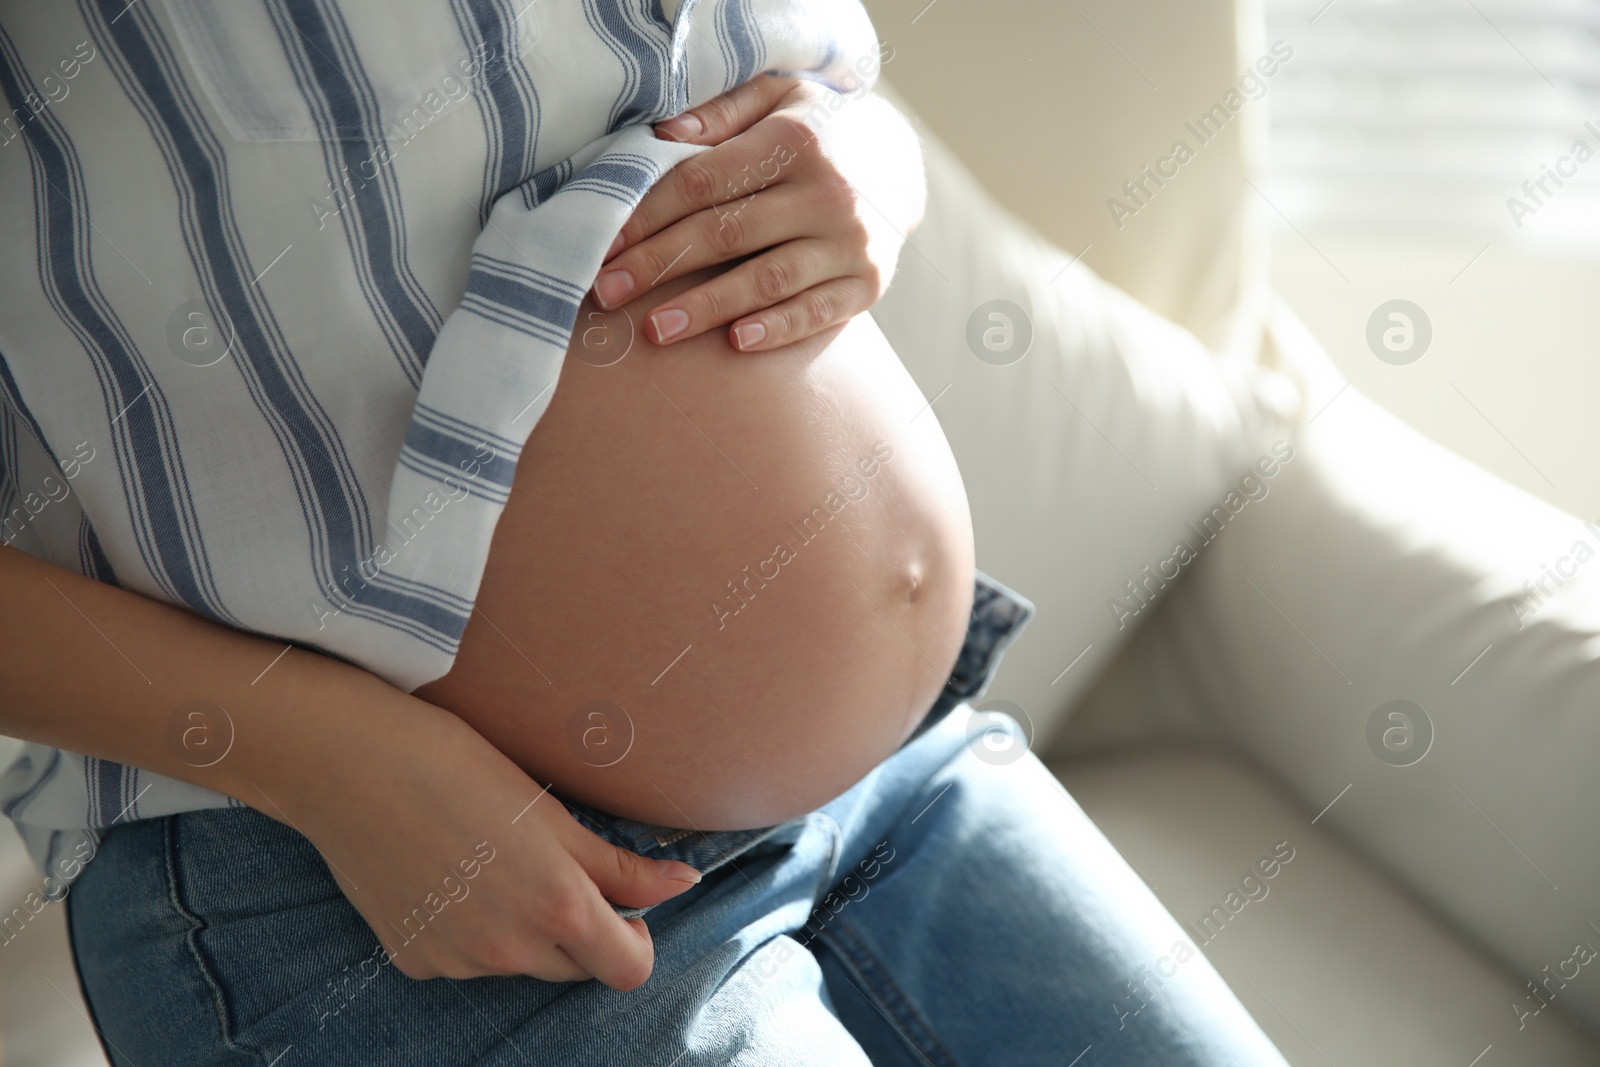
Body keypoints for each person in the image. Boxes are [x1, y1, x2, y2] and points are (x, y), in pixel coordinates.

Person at [0, 0, 1291, 1062]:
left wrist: (865, 172)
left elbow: (770, 71)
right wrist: (323, 760)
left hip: (906, 775)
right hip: (403, 872)